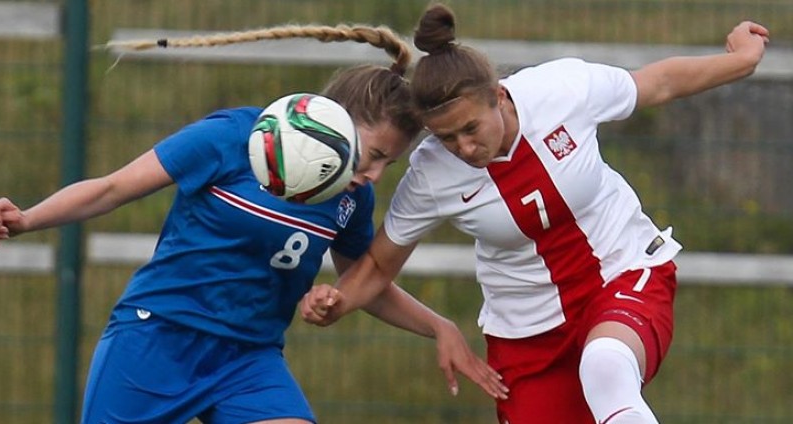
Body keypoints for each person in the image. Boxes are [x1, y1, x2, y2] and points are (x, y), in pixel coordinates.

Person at [0, 24, 505, 424]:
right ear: (331, 121)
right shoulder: (234, 139)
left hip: (248, 359)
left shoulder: (349, 201)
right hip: (160, 337)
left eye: (386, 165)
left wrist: (436, 324)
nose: (371, 175)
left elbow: (367, 282)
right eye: (370, 155)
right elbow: (111, 188)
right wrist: (28, 218)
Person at [300, 4, 770, 424]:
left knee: (605, 365)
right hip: (528, 331)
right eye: (446, 138)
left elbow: (658, 82)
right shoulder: (430, 175)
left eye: (470, 128)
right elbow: (380, 264)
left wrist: (741, 60)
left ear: (499, 97)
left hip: (624, 270)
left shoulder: (562, 90)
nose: (463, 147)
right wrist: (337, 302)